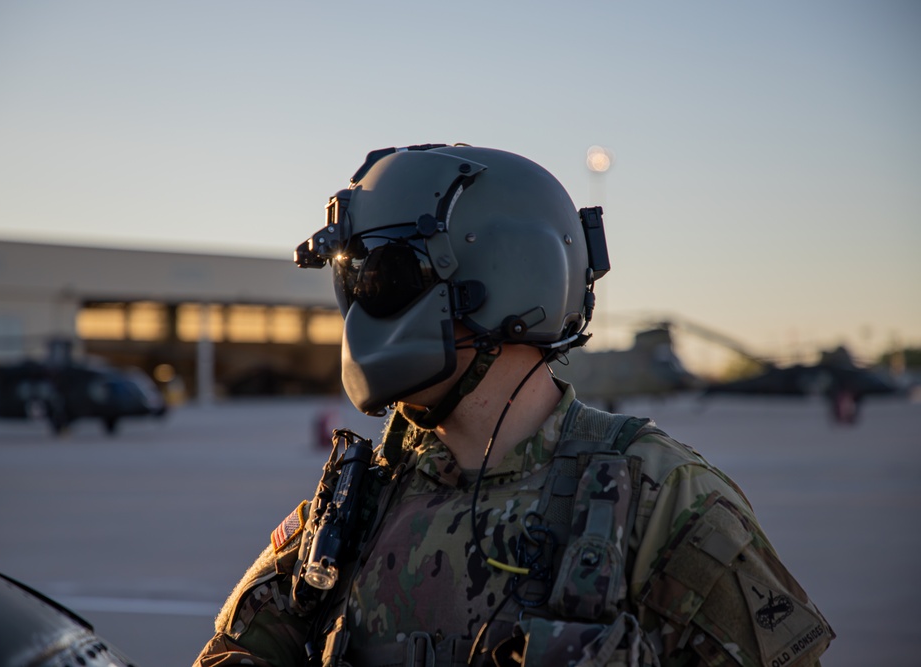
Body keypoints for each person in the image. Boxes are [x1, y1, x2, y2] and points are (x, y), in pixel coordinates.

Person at [193, 144, 833, 667]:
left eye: (384, 279)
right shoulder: (351, 509)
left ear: (506, 276)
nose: (362, 311)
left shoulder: (661, 502)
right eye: (352, 282)